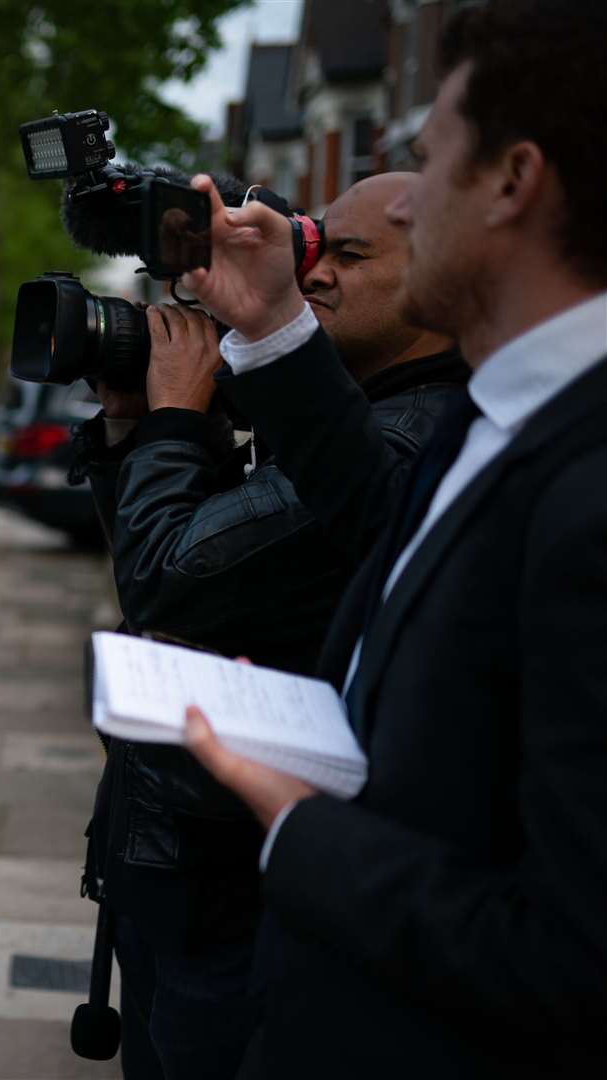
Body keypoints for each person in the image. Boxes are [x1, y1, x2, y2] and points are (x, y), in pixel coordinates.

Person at [176, 2, 607, 1075]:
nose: (404, 198)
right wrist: (270, 323)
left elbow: (574, 960)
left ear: (513, 180)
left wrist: (300, 823)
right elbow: (380, 522)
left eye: (429, 161)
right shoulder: (501, 409)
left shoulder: (593, 489)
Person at [72, 175, 466, 1080]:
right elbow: (164, 581)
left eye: (352, 255)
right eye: (315, 244)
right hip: (176, 861)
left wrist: (174, 417)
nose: (313, 272)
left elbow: (168, 576)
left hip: (233, 890)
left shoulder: (400, 436)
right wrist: (138, 422)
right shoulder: (329, 416)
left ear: (444, 283)